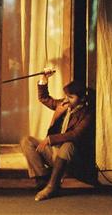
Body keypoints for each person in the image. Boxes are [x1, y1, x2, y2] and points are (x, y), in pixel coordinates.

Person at [19, 70, 94, 201]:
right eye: (66, 96)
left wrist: (50, 139)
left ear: (81, 99)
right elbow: (44, 98)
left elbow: (75, 134)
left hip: (71, 160)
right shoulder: (64, 104)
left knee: (68, 145)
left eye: (71, 97)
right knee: (27, 141)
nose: (66, 100)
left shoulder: (87, 114)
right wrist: (44, 79)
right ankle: (43, 179)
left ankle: (52, 186)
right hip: (54, 152)